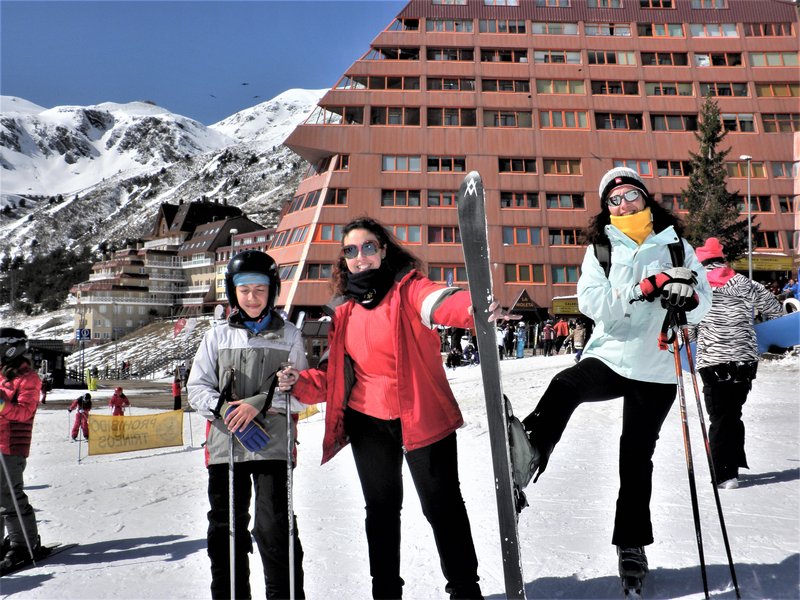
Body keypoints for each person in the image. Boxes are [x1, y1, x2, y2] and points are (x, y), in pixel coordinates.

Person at [277, 217, 498, 599]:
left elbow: (437, 301)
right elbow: (335, 375)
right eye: (350, 251)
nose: (359, 257)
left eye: (367, 247)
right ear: (344, 260)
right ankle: (386, 593)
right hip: (369, 423)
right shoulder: (343, 311)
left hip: (424, 418)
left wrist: (473, 308)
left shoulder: (407, 288)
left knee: (442, 508)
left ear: (383, 251)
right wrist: (298, 382)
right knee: (380, 512)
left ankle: (465, 590)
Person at [520, 167, 712, 584]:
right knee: (565, 385)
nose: (624, 204)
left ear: (646, 199)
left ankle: (632, 544)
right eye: (615, 199)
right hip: (611, 354)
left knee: (635, 457)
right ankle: (531, 449)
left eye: (630, 195)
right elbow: (591, 302)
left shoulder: (678, 246)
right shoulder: (602, 247)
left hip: (657, 366)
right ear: (606, 208)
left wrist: (687, 296)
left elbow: (703, 304)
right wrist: (641, 289)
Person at [188, 249, 307, 600]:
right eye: (244, 290)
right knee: (227, 530)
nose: (252, 297)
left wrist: (259, 404)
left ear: (272, 290)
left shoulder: (290, 336)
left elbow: (301, 394)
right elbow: (197, 389)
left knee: (274, 528)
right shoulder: (217, 336)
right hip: (227, 448)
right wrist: (225, 409)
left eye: (260, 289)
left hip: (272, 445)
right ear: (232, 292)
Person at [691, 237, 784, 490]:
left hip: (713, 360)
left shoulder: (697, 287)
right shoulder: (745, 282)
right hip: (745, 360)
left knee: (720, 417)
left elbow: (687, 330)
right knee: (732, 414)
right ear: (722, 259)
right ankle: (731, 467)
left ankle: (724, 473)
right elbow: (776, 310)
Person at [0, 328, 44, 571]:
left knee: (10, 498)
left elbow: (24, 412)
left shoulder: (29, 379)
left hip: (11, 445)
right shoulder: (2, 375)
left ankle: (24, 545)